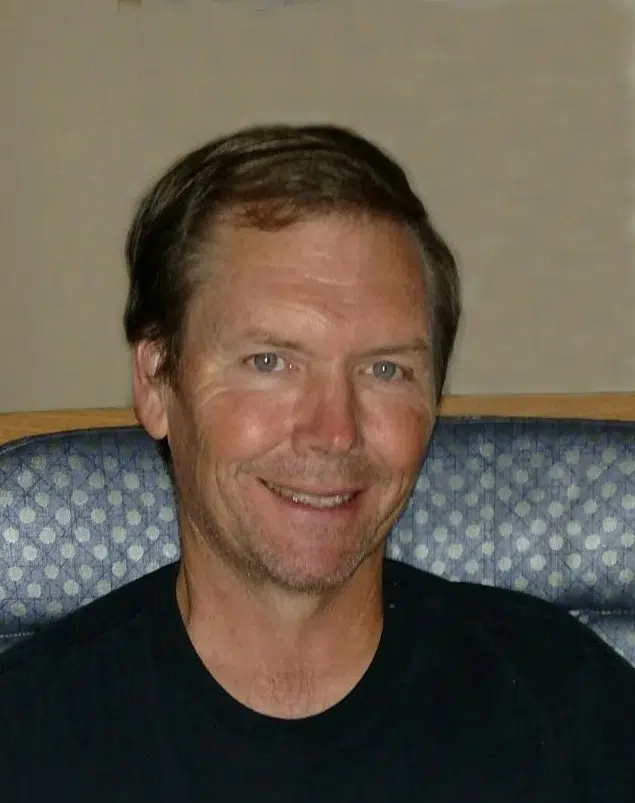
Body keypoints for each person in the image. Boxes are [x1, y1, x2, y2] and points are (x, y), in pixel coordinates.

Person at [1, 123, 635, 802]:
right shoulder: (25, 741)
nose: (334, 432)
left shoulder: (568, 709)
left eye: (385, 369)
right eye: (269, 361)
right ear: (156, 384)